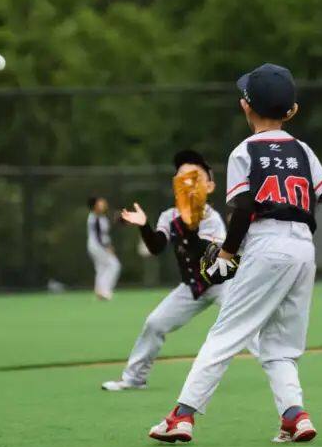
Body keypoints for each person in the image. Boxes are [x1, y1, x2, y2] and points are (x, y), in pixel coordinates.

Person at [147, 64, 322, 445]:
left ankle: (182, 417)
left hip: (266, 245)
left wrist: (228, 252)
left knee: (225, 334)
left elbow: (244, 208)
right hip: (302, 250)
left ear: (245, 106)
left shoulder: (243, 152)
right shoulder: (302, 149)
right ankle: (294, 416)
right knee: (281, 346)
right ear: (292, 111)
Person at [102, 150, 251, 391]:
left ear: (209, 186)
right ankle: (134, 379)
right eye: (182, 176)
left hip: (221, 286)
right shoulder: (170, 216)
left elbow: (210, 256)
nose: (188, 180)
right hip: (192, 287)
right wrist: (144, 227)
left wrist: (190, 224)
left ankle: (278, 366)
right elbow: (156, 247)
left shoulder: (211, 218)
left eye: (195, 176)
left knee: (247, 325)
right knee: (154, 323)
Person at [86, 196, 121, 301]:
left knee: (101, 268)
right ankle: (105, 291)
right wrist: (107, 246)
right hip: (98, 246)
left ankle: (99, 291)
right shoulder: (95, 218)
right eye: (100, 203)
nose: (103, 204)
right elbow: (99, 236)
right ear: (95, 206)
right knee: (114, 265)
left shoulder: (100, 217)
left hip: (95, 246)